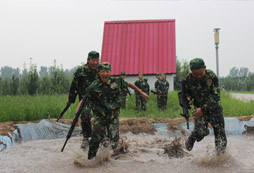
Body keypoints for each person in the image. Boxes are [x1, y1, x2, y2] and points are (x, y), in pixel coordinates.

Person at [76, 62, 148, 160]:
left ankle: (113, 157)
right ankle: (91, 160)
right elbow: (84, 100)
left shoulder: (116, 82)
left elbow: (129, 84)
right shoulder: (94, 86)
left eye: (107, 71)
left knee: (114, 137)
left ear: (110, 72)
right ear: (98, 72)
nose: (105, 74)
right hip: (99, 117)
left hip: (113, 115)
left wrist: (141, 92)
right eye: (102, 71)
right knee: (95, 139)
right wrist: (77, 113)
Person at [185, 58, 227, 155]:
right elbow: (188, 92)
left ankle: (220, 159)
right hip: (199, 110)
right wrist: (188, 99)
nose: (199, 76)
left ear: (205, 68)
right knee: (200, 132)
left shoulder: (211, 77)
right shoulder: (189, 78)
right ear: (191, 72)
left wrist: (203, 109)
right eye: (196, 74)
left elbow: (216, 97)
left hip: (214, 109)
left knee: (220, 137)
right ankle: (192, 137)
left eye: (201, 73)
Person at [67, 51, 100, 149]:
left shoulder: (101, 70)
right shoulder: (81, 71)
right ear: (88, 60)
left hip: (99, 99)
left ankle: (103, 137)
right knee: (85, 115)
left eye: (97, 60)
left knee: (104, 116)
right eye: (93, 60)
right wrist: (70, 99)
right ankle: (86, 137)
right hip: (85, 99)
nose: (95, 63)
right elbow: (74, 86)